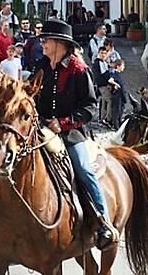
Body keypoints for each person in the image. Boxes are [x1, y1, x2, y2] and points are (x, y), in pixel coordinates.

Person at [35, 19, 117, 250]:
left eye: (46, 40)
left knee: (82, 169)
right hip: (40, 129)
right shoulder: (41, 65)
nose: (42, 43)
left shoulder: (79, 69)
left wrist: (63, 123)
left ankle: (103, 221)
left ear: (59, 43)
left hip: (71, 133)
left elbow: (90, 107)